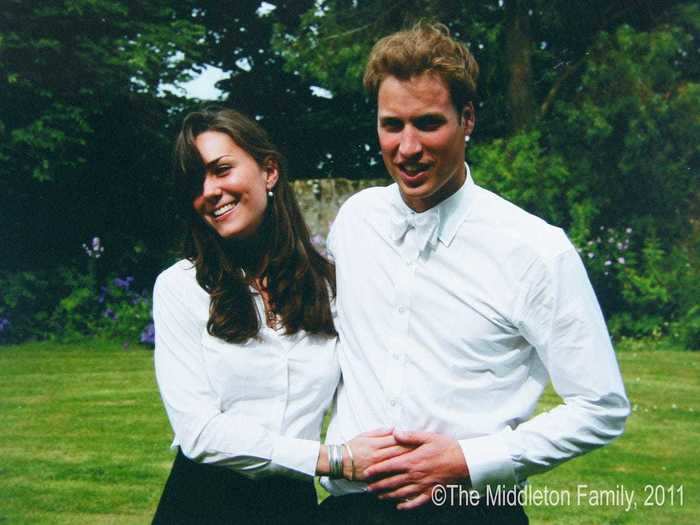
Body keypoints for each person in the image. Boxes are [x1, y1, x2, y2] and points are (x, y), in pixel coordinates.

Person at [319, 22, 630, 524]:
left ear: (467, 119)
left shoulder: (533, 249)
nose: (408, 147)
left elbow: (601, 406)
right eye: (392, 125)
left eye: (428, 122)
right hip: (349, 509)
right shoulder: (356, 220)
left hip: (469, 509)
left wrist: (469, 460)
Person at [151, 107, 406, 524]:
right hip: (201, 505)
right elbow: (198, 433)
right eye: (195, 181)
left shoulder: (330, 287)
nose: (209, 191)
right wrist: (332, 459)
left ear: (269, 172)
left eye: (221, 170)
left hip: (292, 509)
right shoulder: (181, 287)